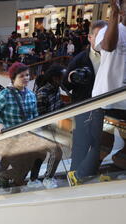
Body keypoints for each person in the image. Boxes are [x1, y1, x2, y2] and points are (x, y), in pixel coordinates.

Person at [68, 1, 126, 186]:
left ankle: (105, 172)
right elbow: (108, 46)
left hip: (123, 101)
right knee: (102, 144)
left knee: (111, 145)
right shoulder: (107, 30)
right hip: (106, 98)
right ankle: (80, 178)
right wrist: (115, 16)